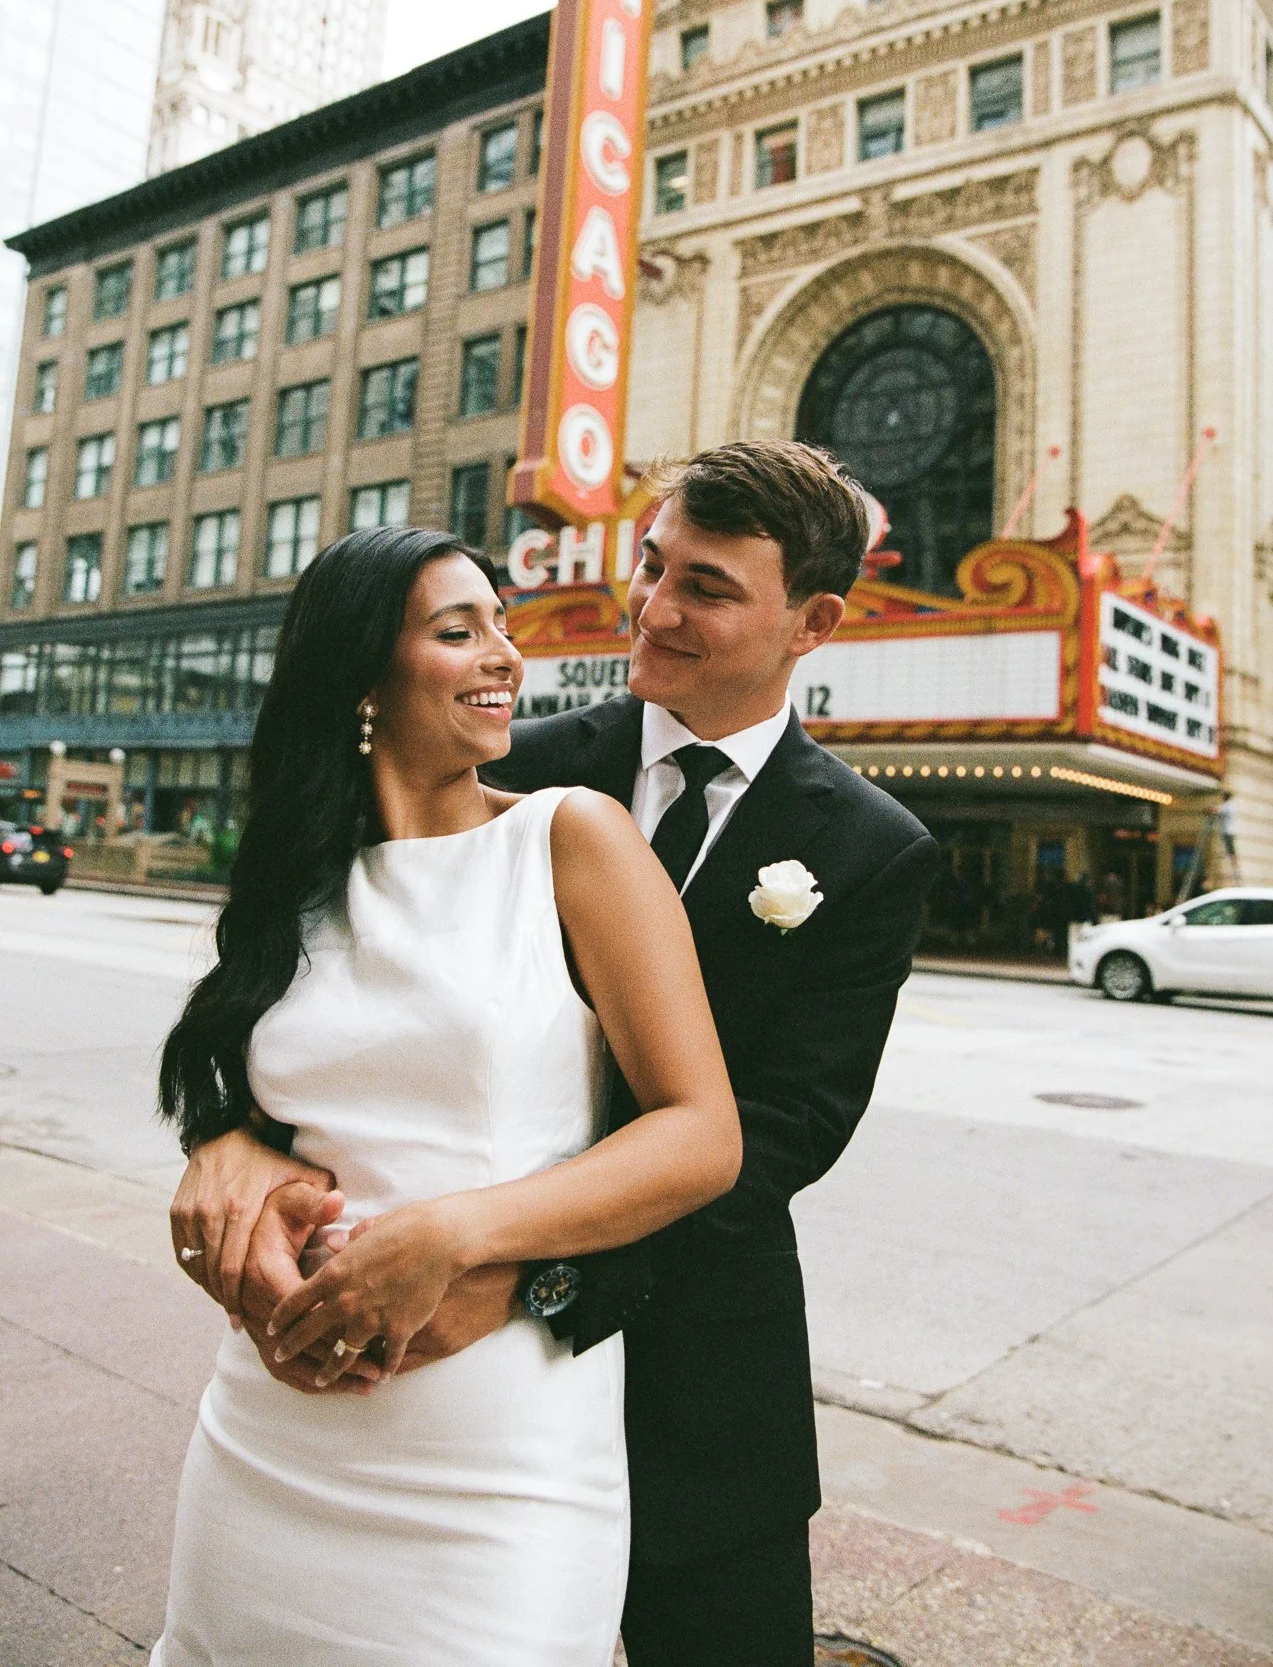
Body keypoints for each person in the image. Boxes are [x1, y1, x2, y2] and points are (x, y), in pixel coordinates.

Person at [172, 440, 939, 1667]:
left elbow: (779, 1133)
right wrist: (226, 1135)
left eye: (707, 587)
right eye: (652, 564)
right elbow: (298, 983)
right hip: (384, 1383)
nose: (653, 607)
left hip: (692, 1369)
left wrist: (527, 1271)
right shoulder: (490, 759)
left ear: (813, 623)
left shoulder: (869, 848)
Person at [149, 526, 742, 1667]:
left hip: (497, 1461)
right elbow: (260, 1087)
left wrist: (451, 1234)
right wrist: (225, 1146)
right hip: (272, 1431)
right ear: (363, 673)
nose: (503, 656)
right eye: (456, 630)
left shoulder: (571, 839)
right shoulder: (296, 879)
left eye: (503, 627)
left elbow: (701, 1133)